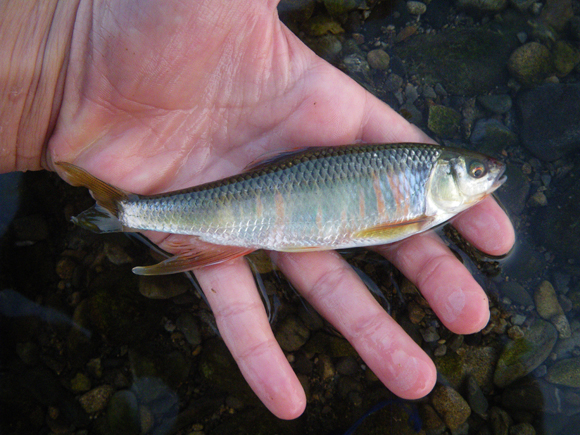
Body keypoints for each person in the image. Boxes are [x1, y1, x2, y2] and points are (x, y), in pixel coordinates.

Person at [1, 0, 514, 420]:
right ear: (440, 173)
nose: (483, 177)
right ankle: (130, 212)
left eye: (474, 173)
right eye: (472, 173)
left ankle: (130, 212)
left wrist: (61, 41)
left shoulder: (413, 183)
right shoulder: (413, 194)